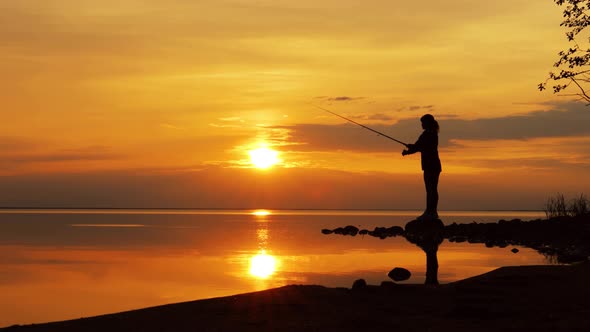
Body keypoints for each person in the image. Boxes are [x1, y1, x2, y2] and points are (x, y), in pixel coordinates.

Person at [402, 114, 442, 221]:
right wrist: (410, 149)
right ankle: (432, 212)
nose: (422, 125)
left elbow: (419, 146)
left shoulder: (427, 134)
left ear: (427, 123)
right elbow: (419, 147)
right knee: (432, 189)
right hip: (434, 165)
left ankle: (430, 212)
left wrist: (408, 151)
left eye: (423, 123)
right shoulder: (433, 133)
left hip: (430, 165)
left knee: (430, 189)